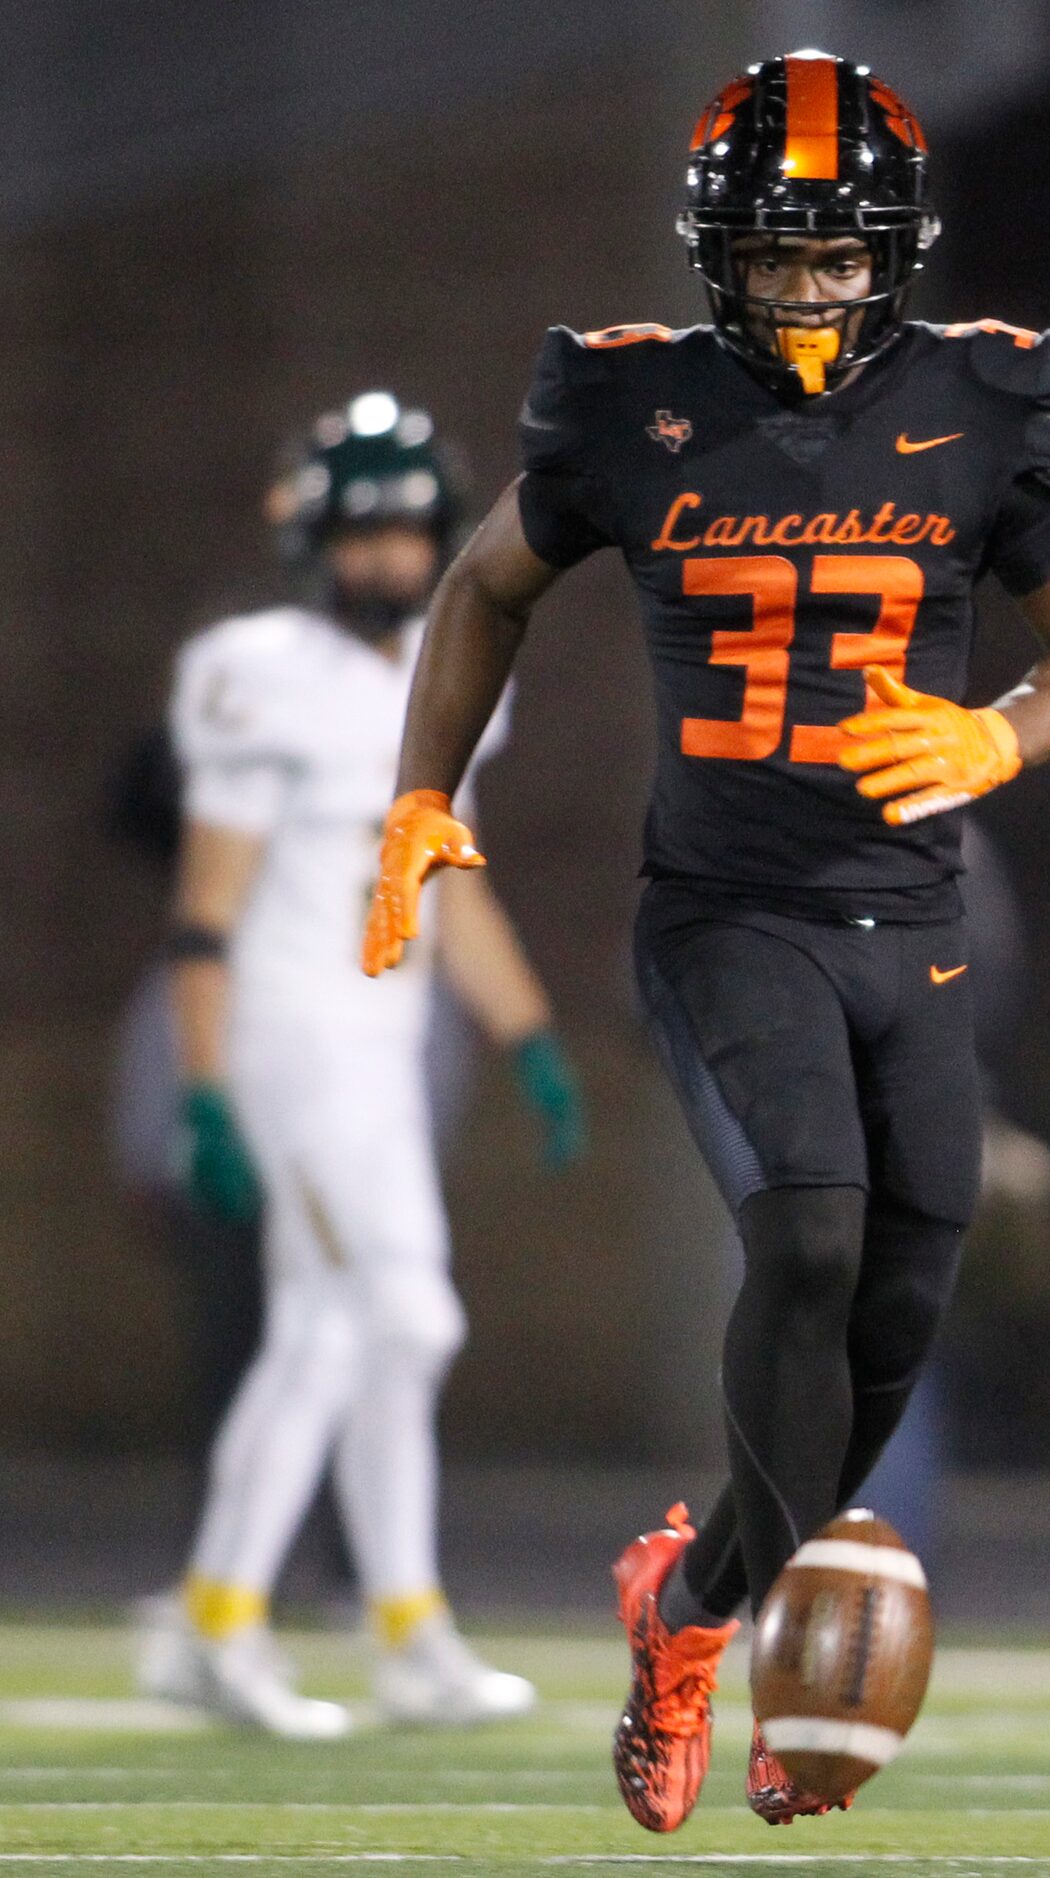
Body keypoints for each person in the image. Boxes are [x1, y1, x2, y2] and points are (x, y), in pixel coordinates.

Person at [362, 50, 1050, 1827]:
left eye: (836, 254)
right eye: (776, 256)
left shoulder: (987, 400)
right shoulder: (628, 406)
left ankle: (686, 1599)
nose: (806, 288)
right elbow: (488, 580)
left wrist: (998, 728)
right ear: (717, 252)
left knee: (894, 1306)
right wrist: (419, 792)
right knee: (803, 1240)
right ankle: (752, 1633)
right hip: (727, 913)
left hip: (914, 921)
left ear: (898, 251)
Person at [140, 392, 584, 1736]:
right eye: (365, 532)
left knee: (385, 1334)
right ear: (313, 540)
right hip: (290, 1035)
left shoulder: (447, 665)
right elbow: (205, 906)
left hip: (384, 1048)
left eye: (408, 531)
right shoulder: (253, 668)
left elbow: (448, 883)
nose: (391, 559)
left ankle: (408, 1626)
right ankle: (217, 1616)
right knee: (373, 1319)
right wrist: (204, 1085)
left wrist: (529, 1037)